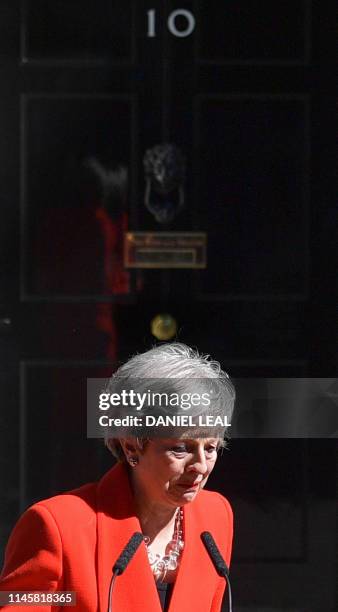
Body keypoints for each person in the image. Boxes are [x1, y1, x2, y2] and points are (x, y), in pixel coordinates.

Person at [0, 343, 235, 611]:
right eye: (181, 448)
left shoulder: (216, 515)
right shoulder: (57, 525)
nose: (201, 466)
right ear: (132, 446)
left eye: (211, 448)